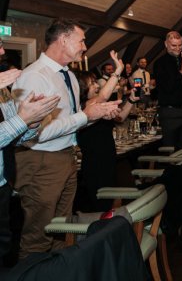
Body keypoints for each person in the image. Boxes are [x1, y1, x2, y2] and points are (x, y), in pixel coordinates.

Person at [11, 18, 121, 259]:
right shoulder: (35, 76)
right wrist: (85, 114)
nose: (84, 46)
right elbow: (37, 132)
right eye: (81, 40)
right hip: (41, 161)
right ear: (63, 39)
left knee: (61, 231)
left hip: (65, 157)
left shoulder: (68, 76)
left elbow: (73, 124)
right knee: (38, 235)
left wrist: (97, 114)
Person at [0, 47, 60, 267]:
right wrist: (22, 120)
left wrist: (32, 120)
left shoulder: (2, 89)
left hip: (3, 185)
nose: (3, 50)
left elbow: (14, 136)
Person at [76, 51, 139, 212]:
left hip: (109, 158)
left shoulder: (97, 106)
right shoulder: (83, 107)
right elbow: (103, 96)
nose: (96, 85)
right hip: (95, 163)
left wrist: (131, 100)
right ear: (83, 87)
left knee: (110, 201)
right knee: (100, 203)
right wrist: (118, 71)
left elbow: (121, 117)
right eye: (92, 83)